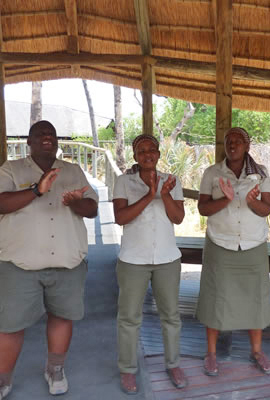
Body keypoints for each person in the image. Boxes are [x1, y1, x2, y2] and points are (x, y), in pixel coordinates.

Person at [0, 120, 98, 399]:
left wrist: (74, 203)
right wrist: (36, 190)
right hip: (22, 265)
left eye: (51, 134)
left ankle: (55, 369)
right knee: (10, 326)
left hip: (67, 263)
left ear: (57, 142)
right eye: (40, 134)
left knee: (62, 317)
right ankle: (1, 380)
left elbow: (92, 208)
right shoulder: (12, 169)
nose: (47, 137)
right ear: (29, 142)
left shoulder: (72, 170)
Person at [196, 127, 270, 376]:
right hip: (220, 243)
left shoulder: (261, 173)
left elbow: (267, 209)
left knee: (256, 298)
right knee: (215, 297)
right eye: (229, 141)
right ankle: (211, 353)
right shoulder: (212, 173)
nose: (233, 145)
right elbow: (203, 209)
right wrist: (226, 200)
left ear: (247, 145)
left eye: (239, 141)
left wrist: (252, 201)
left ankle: (257, 351)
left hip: (253, 244)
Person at [113, 134, 187, 394]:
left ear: (158, 153)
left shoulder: (171, 181)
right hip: (133, 259)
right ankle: (128, 369)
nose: (147, 154)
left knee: (171, 316)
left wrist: (164, 195)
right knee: (129, 318)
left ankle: (173, 364)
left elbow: (178, 217)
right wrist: (150, 194)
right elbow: (121, 217)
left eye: (152, 149)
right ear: (135, 156)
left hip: (167, 258)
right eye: (141, 150)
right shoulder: (124, 182)